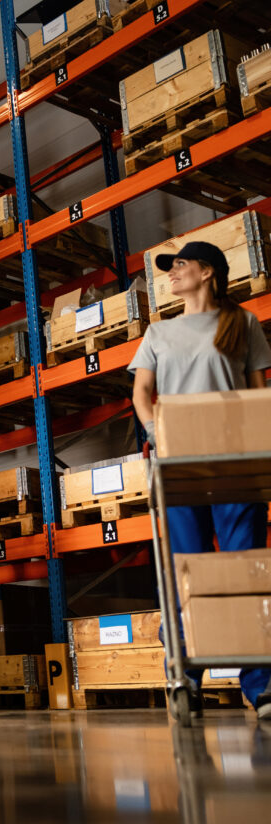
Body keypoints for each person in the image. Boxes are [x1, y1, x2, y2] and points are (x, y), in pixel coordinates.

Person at [129, 240, 271, 721]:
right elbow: (142, 393)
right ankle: (185, 677)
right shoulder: (157, 332)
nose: (170, 274)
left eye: (180, 265)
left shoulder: (242, 323)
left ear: (207, 272)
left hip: (237, 465)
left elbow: (258, 395)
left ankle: (260, 684)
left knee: (245, 570)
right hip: (178, 466)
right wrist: (159, 434)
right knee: (184, 573)